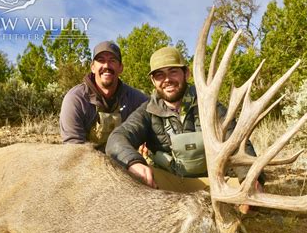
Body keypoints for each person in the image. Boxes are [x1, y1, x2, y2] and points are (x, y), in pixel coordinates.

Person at [105, 46, 265, 194]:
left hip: (214, 182)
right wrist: (133, 162)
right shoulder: (147, 111)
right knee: (131, 177)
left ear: (186, 73)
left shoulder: (209, 105)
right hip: (170, 186)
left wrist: (250, 177)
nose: (167, 79)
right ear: (153, 81)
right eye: (159, 75)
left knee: (249, 191)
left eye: (173, 71)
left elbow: (237, 142)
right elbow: (117, 139)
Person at [59, 41, 148, 150]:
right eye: (101, 60)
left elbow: (156, 113)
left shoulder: (136, 98)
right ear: (92, 67)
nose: (106, 65)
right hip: (87, 163)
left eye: (112, 60)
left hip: (127, 162)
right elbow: (73, 150)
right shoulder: (75, 99)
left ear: (120, 67)